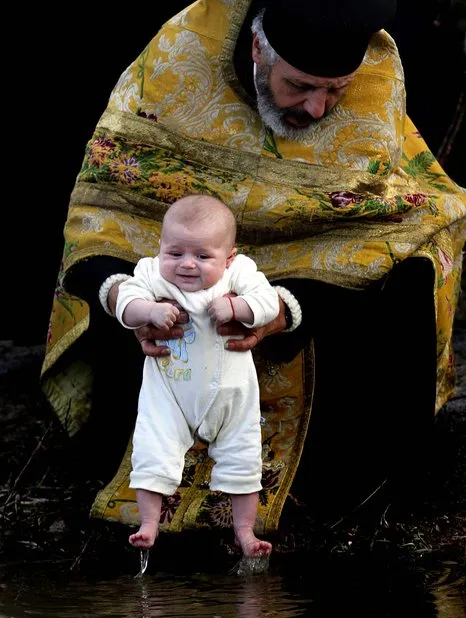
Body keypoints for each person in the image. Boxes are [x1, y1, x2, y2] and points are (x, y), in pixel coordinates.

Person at [41, 0, 465, 543]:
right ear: (259, 48)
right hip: (172, 295)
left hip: (310, 282)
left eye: (335, 91)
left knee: (422, 260)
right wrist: (128, 300)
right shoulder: (180, 56)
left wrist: (284, 310)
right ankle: (129, 471)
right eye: (300, 86)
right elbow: (104, 209)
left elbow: (382, 221)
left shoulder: (376, 76)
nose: (317, 109)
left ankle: (346, 488)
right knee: (137, 279)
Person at [115, 194, 278, 555]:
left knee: (244, 459)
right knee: (152, 450)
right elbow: (125, 301)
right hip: (170, 395)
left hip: (232, 397)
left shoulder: (240, 273)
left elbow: (269, 304)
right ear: (160, 249)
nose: (187, 265)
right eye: (175, 253)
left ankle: (245, 531)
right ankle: (149, 524)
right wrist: (148, 311)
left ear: (229, 256)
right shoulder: (151, 272)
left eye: (203, 256)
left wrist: (237, 306)